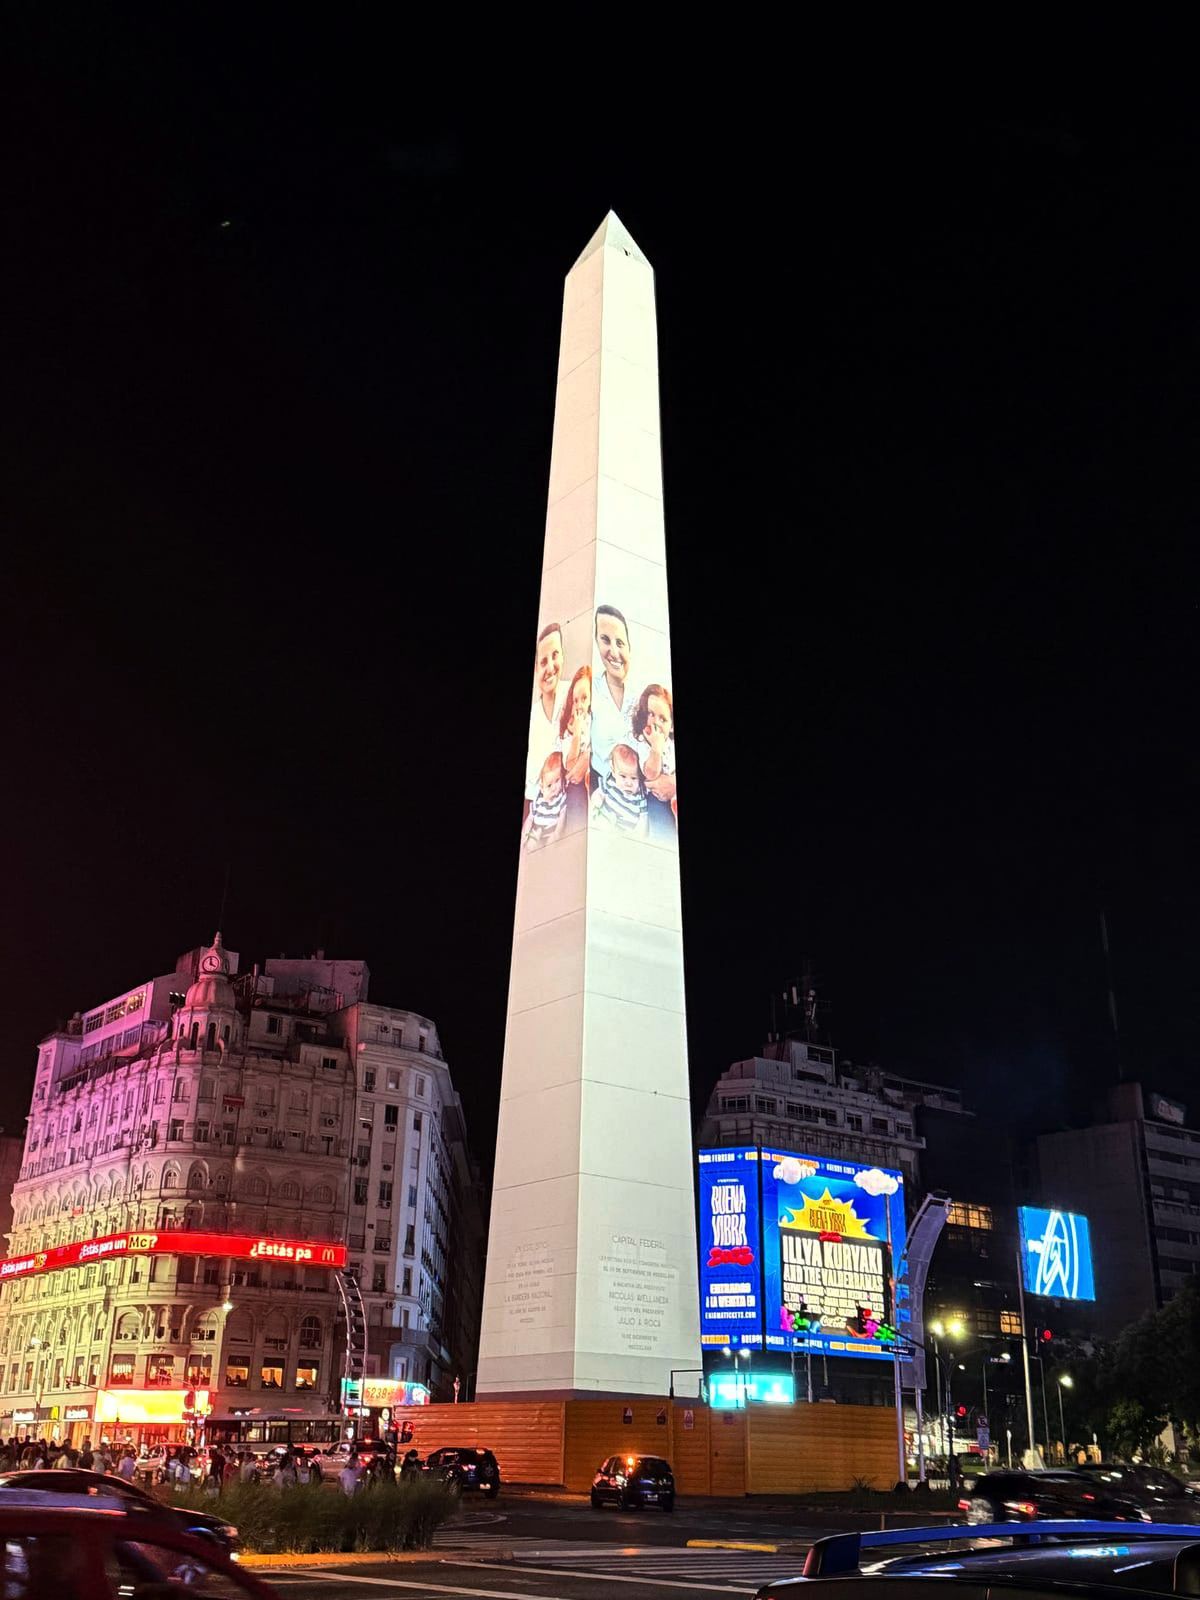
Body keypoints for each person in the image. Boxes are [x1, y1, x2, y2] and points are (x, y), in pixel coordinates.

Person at [524, 622, 568, 817]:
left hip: (571, 798)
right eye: (543, 662)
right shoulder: (532, 718)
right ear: (535, 669)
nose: (550, 667)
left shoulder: (575, 694)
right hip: (539, 807)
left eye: (555, 655)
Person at [590, 605, 635, 781]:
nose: (614, 652)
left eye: (620, 643)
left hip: (640, 794)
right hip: (600, 790)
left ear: (629, 647)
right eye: (605, 640)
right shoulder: (590, 691)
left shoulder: (645, 696)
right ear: (597, 643)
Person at [631, 682, 676, 841]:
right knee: (663, 831)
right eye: (651, 714)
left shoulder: (671, 744)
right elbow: (650, 774)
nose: (656, 722)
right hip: (656, 798)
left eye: (663, 719)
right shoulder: (644, 743)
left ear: (671, 726)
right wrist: (656, 749)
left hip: (673, 795)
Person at [590, 743, 648, 836]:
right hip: (605, 822)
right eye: (623, 776)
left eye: (634, 778)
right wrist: (596, 802)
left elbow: (643, 819)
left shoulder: (640, 796)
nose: (628, 783)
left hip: (625, 833)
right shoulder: (610, 781)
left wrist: (638, 835)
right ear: (613, 771)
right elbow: (599, 793)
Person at [521, 751, 568, 851]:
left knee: (551, 845)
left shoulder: (561, 798)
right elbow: (530, 818)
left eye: (557, 780)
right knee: (531, 844)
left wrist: (557, 834)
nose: (554, 787)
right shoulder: (538, 799)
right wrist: (524, 836)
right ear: (542, 788)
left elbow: (561, 821)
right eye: (549, 785)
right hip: (536, 830)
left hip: (551, 834)